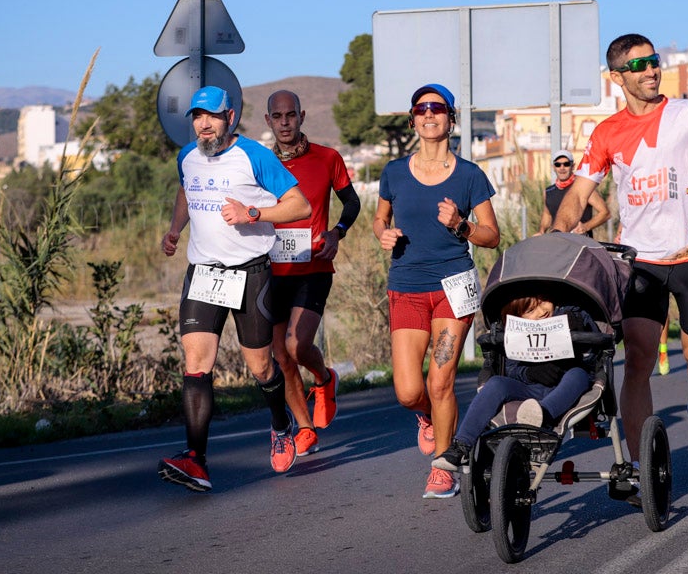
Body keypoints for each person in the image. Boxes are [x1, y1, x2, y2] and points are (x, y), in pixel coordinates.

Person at [553, 33, 688, 472]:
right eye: (639, 65)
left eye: (654, 61)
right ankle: (643, 467)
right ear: (617, 78)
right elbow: (577, 197)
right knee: (639, 360)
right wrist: (556, 235)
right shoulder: (607, 132)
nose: (651, 70)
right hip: (639, 262)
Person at [158, 86, 312, 492]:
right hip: (204, 272)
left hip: (250, 273)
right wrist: (176, 229)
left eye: (211, 117)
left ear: (230, 117)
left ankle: (281, 424)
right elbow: (184, 191)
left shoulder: (255, 156)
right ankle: (195, 459)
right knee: (196, 362)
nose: (203, 125)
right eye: (197, 117)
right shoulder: (186, 157)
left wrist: (253, 213)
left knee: (261, 367)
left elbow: (301, 205)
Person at [373, 83, 501, 498]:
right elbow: (379, 219)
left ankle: (444, 465)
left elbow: (491, 236)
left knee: (441, 380)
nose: (430, 115)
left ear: (451, 118)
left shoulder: (469, 175)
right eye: (422, 109)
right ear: (413, 119)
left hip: (453, 285)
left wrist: (461, 226)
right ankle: (427, 417)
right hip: (407, 286)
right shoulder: (393, 172)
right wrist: (384, 234)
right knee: (410, 390)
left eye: (438, 108)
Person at [264, 89, 362, 457]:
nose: (285, 122)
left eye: (291, 115)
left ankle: (323, 378)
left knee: (296, 345)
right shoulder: (259, 162)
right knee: (282, 358)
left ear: (302, 116)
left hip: (314, 266)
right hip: (271, 270)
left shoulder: (327, 157)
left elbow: (351, 201)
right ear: (268, 121)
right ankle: (305, 428)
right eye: (278, 116)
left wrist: (338, 232)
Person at [431, 294, 597, 472]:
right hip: (529, 387)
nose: (542, 312)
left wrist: (574, 321)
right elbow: (511, 369)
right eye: (531, 310)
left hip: (565, 386)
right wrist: (530, 373)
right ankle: (461, 446)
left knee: (578, 374)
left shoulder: (568, 314)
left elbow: (594, 352)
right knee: (495, 383)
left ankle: (543, 416)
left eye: (544, 302)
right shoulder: (514, 334)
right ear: (517, 319)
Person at [538, 150, 610, 238]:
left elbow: (605, 213)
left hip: (580, 243)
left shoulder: (583, 188)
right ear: (553, 167)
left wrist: (585, 227)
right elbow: (547, 215)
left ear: (573, 166)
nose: (562, 168)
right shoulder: (548, 192)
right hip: (559, 243)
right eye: (558, 165)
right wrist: (541, 231)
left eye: (566, 164)